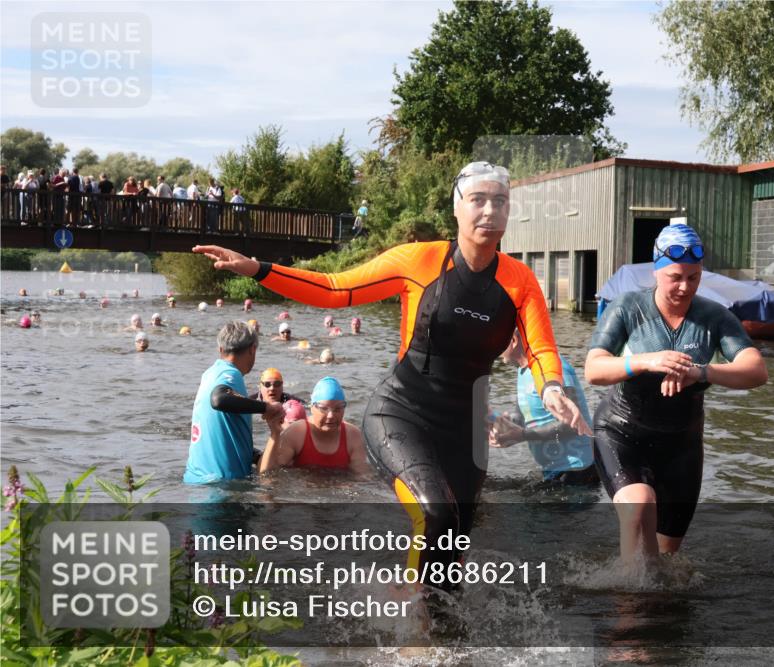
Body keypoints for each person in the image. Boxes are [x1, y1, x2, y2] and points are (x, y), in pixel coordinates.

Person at [192, 161, 588, 585]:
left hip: (466, 430)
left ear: (509, 212)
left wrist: (550, 387)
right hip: (402, 412)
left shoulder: (519, 280)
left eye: (500, 201)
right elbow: (333, 289)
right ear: (457, 209)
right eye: (478, 200)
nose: (489, 210)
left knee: (453, 540)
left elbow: (540, 347)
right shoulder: (418, 261)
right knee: (435, 512)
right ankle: (409, 624)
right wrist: (258, 268)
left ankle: (437, 626)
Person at [584, 224, 768, 563]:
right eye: (675, 277)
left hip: (681, 446)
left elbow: (756, 370)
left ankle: (652, 606)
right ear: (656, 271)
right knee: (638, 507)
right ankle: (629, 605)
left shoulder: (714, 316)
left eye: (694, 278)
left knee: (667, 559)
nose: (685, 287)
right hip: (622, 433)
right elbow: (594, 369)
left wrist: (701, 371)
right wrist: (647, 361)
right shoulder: (627, 308)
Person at [491, 330, 597, 485]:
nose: (495, 348)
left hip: (577, 472)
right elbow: (521, 417)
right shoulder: (523, 371)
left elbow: (573, 424)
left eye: (498, 341)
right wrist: (503, 425)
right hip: (553, 471)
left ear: (513, 340)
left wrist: (521, 435)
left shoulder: (555, 369)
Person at [183, 321, 284, 484]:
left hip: (195, 481)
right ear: (253, 349)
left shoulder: (209, 374)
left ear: (220, 349)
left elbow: (221, 432)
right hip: (222, 488)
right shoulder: (230, 373)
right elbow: (219, 399)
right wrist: (267, 407)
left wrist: (256, 455)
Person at [260, 377, 368, 474]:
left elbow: (363, 478)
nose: (331, 415)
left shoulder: (353, 436)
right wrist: (275, 434)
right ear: (312, 408)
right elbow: (267, 474)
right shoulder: (296, 433)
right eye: (324, 408)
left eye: (338, 409)